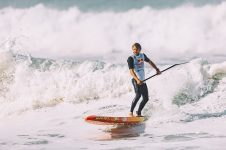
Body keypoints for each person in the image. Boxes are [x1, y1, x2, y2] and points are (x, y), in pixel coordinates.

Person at [127, 43, 161, 117]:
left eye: (136, 49)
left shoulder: (143, 55)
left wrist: (157, 69)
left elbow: (150, 62)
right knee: (138, 95)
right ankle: (130, 113)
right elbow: (131, 72)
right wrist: (137, 80)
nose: (135, 51)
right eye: (133, 49)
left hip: (143, 81)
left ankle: (138, 112)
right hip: (136, 80)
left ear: (139, 49)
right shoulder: (131, 58)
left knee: (146, 98)